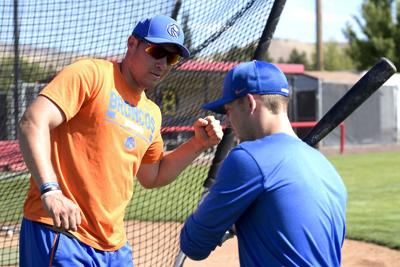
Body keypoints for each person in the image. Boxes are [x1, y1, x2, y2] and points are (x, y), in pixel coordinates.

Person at [18, 14, 223, 266]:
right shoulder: (92, 74)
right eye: (156, 51)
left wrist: (197, 144)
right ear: (132, 44)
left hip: (114, 248)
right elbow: (32, 122)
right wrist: (51, 191)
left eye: (171, 57)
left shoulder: (151, 112)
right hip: (62, 232)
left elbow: (153, 175)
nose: (162, 63)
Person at [180, 60, 347, 266]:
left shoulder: (248, 158)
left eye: (229, 110)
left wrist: (221, 214)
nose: (229, 122)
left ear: (250, 103)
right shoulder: (325, 167)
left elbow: (193, 244)